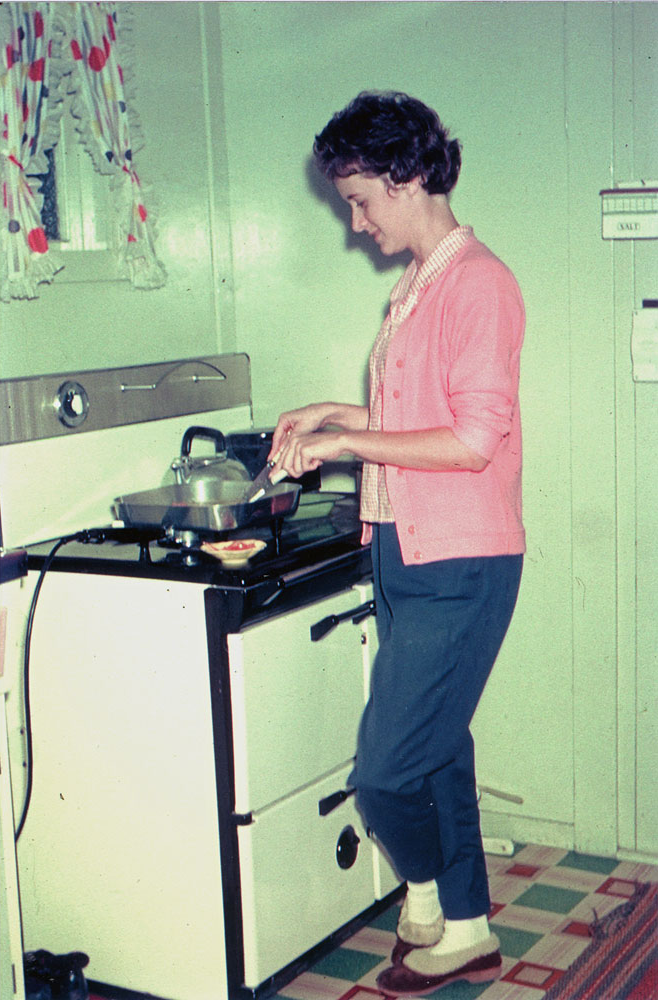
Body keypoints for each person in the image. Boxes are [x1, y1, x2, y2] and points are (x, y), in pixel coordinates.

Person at [270, 91, 525, 994]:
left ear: (409, 178)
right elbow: (415, 417)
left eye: (361, 199)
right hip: (406, 552)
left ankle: (425, 888)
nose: (354, 220)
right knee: (440, 748)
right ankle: (464, 927)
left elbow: (472, 440)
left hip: (461, 557)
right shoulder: (418, 284)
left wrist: (345, 442)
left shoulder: (478, 283)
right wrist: (333, 412)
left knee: (384, 774)